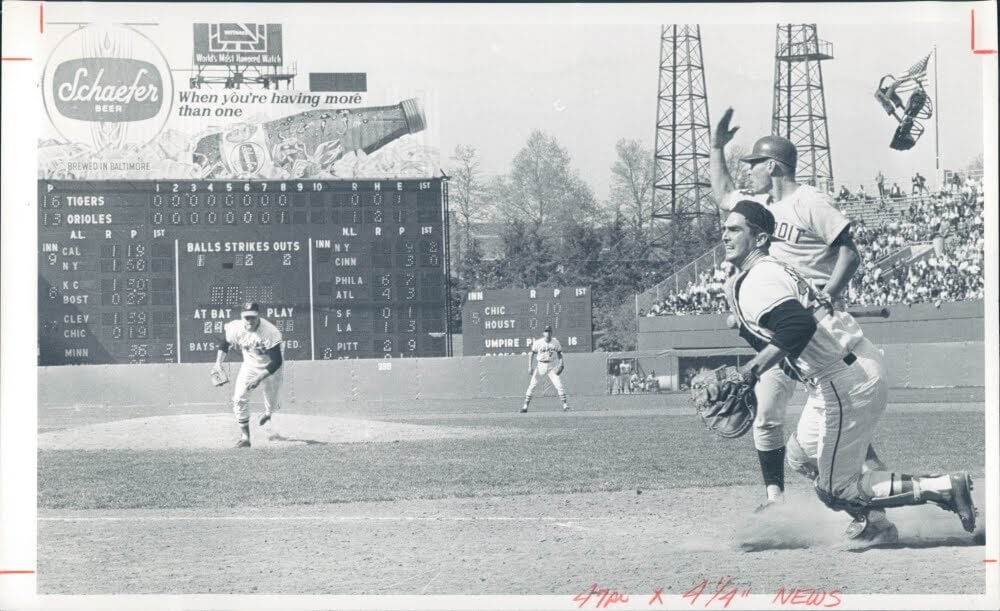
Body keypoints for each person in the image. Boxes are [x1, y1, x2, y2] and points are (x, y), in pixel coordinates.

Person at [720, 200, 977, 543]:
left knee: (834, 489)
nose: (725, 234)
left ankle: (943, 487)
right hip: (841, 371)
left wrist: (751, 371)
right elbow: (789, 334)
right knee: (800, 456)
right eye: (724, 228)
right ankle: (875, 521)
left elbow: (796, 328)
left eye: (735, 229)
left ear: (760, 237)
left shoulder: (759, 279)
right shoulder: (762, 273)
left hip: (844, 380)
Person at [710, 108, 880, 512]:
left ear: (772, 166)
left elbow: (850, 253)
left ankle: (875, 493)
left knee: (838, 422)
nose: (748, 171)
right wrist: (717, 147)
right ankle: (777, 500)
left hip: (811, 328)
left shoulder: (809, 201)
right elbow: (722, 194)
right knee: (769, 415)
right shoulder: (757, 206)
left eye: (754, 165)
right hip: (777, 330)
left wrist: (829, 292)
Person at [213, 302, 284, 448]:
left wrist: (259, 378)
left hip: (271, 367)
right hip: (250, 366)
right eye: (247, 317)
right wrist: (218, 363)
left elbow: (276, 361)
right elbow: (224, 344)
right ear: (241, 317)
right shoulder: (236, 328)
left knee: (271, 404)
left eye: (253, 317)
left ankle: (268, 414)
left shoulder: (270, 332)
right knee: (239, 398)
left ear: (258, 316)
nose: (250, 321)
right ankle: (246, 438)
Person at [521, 325, 568, 412]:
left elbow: (559, 353)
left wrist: (561, 363)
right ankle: (525, 406)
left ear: (551, 333)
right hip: (540, 365)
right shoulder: (538, 342)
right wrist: (529, 366)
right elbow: (532, 353)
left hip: (551, 365)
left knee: (559, 385)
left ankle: (565, 406)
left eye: (549, 331)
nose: (548, 333)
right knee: (532, 385)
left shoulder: (555, 342)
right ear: (543, 333)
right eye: (546, 331)